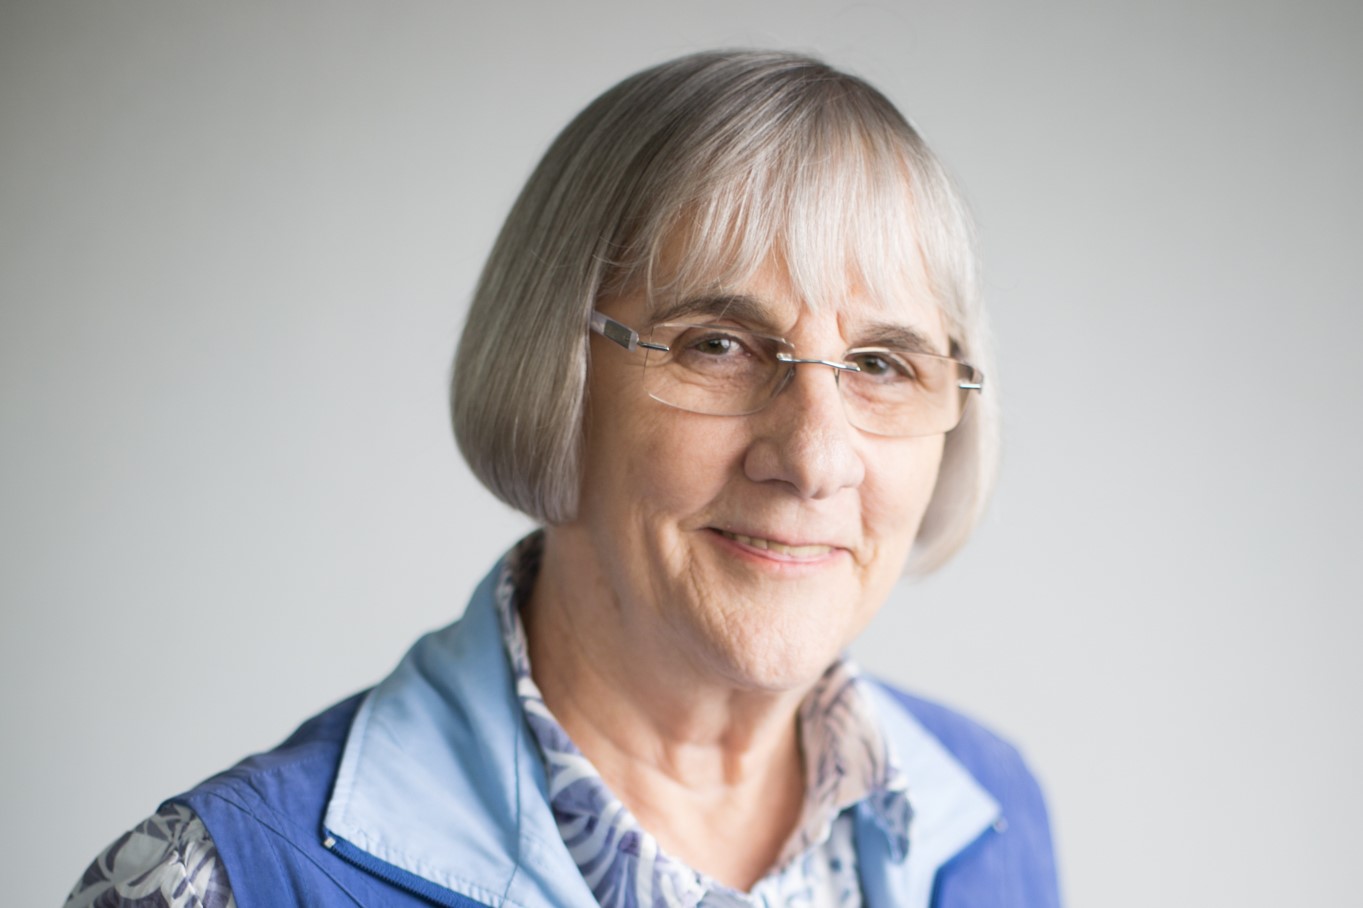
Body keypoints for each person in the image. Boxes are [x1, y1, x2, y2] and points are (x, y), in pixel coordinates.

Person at [65, 50, 1060, 908]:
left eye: (883, 364)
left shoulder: (991, 817)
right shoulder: (222, 883)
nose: (812, 456)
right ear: (557, 370)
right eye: (717, 343)